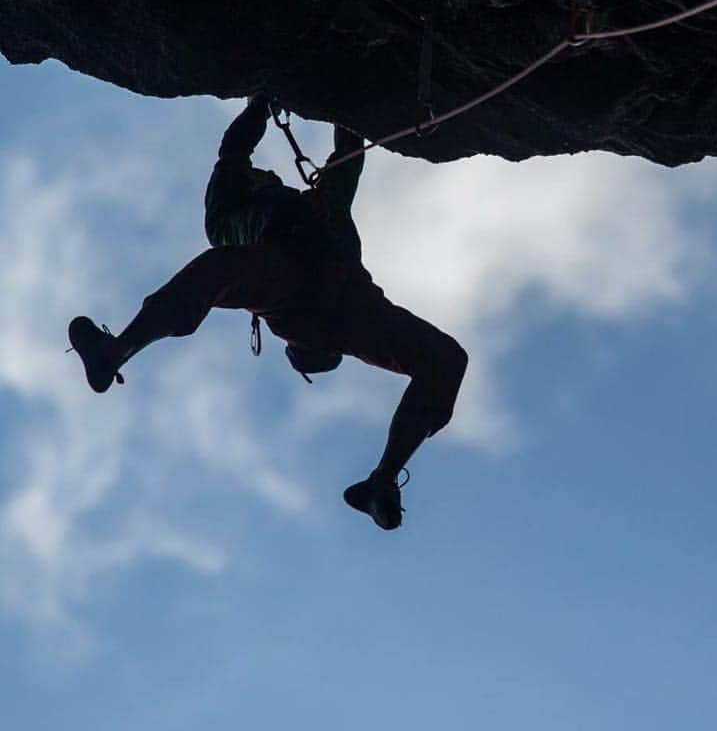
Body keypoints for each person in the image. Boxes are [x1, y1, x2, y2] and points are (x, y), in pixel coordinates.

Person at [67, 94, 467, 530]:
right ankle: (116, 352)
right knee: (219, 268)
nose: (270, 174)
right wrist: (269, 98)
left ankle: (383, 481)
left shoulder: (318, 203)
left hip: (326, 302)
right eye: (263, 174)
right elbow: (241, 151)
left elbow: (341, 150)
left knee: (447, 359)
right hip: (323, 300)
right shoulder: (234, 220)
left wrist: (299, 95)